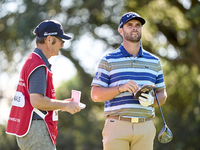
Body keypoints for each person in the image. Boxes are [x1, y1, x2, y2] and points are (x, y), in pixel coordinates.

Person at [91, 12, 167, 150]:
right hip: (117, 125)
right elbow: (95, 94)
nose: (134, 28)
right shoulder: (108, 59)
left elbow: (162, 94)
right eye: (129, 25)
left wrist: (152, 101)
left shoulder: (154, 61)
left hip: (145, 126)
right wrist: (120, 88)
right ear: (121, 30)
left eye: (138, 25)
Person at [6, 20, 81, 150]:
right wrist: (64, 105)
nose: (62, 45)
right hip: (37, 131)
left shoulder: (33, 61)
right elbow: (37, 101)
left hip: (31, 130)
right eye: (61, 40)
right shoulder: (38, 64)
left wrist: (63, 105)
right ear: (49, 39)